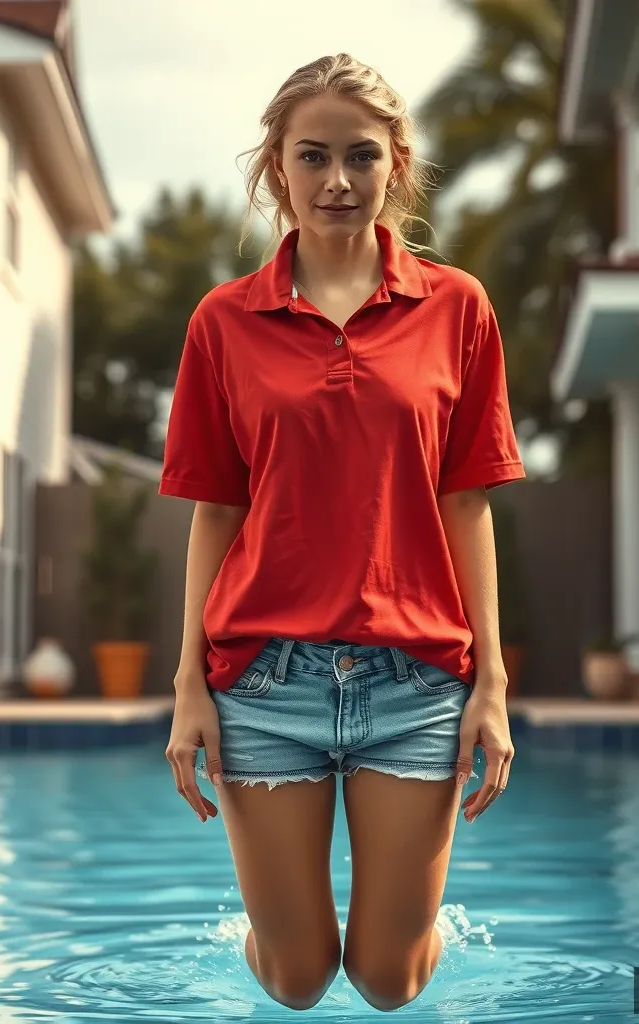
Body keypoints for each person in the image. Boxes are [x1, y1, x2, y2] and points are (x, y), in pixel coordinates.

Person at [161, 53, 525, 1013]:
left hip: (415, 684)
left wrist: (490, 682)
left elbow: (466, 503)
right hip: (264, 684)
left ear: (396, 164)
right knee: (297, 981)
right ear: (276, 165)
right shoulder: (222, 324)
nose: (336, 181)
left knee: (388, 983)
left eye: (361, 156)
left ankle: (406, 925)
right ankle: (276, 929)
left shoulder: (459, 310)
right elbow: (216, 512)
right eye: (312, 155)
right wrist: (188, 684)